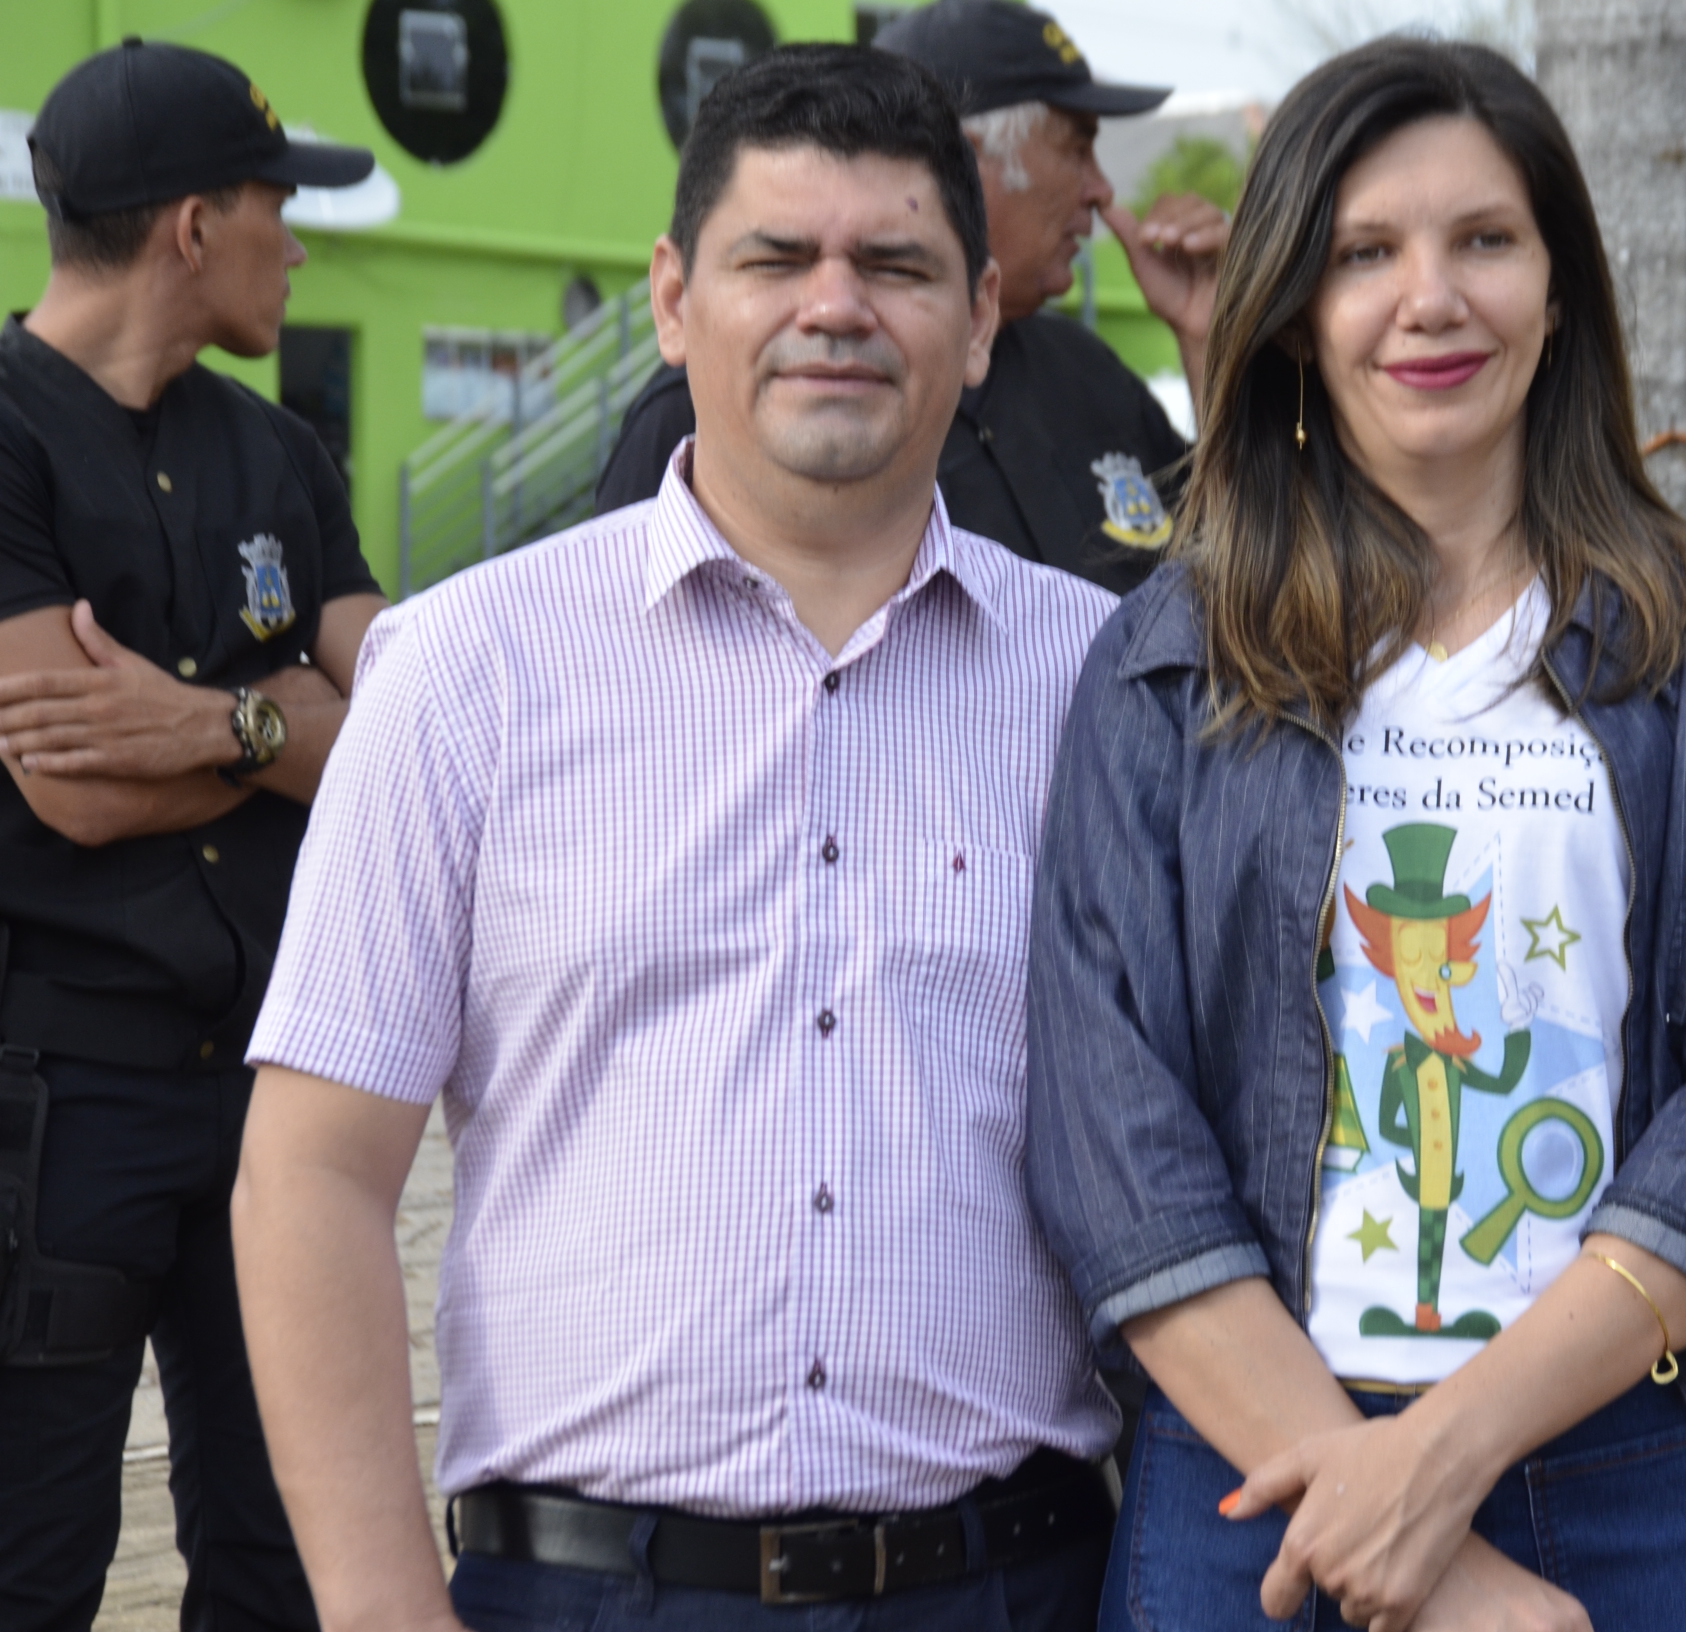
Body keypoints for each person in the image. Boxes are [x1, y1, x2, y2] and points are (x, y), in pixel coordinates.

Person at [231, 47, 1120, 1632]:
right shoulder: (467, 671)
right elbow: (313, 1174)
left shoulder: (1106, 691)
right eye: (775, 257)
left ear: (981, 320)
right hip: (586, 1593)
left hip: (1017, 1584)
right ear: (671, 300)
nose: (833, 306)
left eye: (897, 264)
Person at [1025, 39, 1686, 1632]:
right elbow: (1108, 1130)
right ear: (1291, 310)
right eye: (1364, 254)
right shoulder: (1171, 654)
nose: (1432, 298)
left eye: (1486, 239)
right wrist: (1389, 1514)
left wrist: (1441, 1465)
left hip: (1625, 1486)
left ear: (1560, 288)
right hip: (1248, 1493)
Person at [0, 39, 384, 1632]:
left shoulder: (279, 453)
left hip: (268, 1094)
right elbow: (68, 781)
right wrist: (286, 720)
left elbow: (410, 730)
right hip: (55, 1110)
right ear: (190, 225)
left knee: (278, 1556)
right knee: (30, 1563)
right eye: (276, 203)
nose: (298, 240)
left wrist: (206, 721)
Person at [596, 0, 1219, 596]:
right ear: (969, 168)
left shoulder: (1081, 369)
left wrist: (1209, 336)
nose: (1102, 191)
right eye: (1077, 148)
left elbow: (1231, 572)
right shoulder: (706, 408)